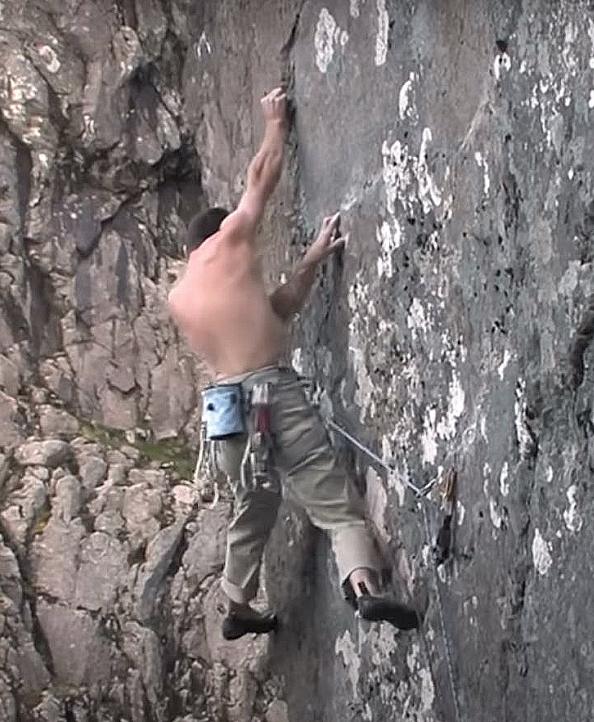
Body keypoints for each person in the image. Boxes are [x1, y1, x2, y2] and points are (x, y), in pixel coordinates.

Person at [167, 87, 420, 639]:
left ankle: (235, 601)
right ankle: (365, 588)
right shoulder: (226, 239)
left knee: (255, 502)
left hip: (227, 414)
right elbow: (260, 179)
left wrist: (309, 261)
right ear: (217, 233)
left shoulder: (182, 298)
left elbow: (271, 314)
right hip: (268, 396)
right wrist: (274, 124)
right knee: (331, 499)